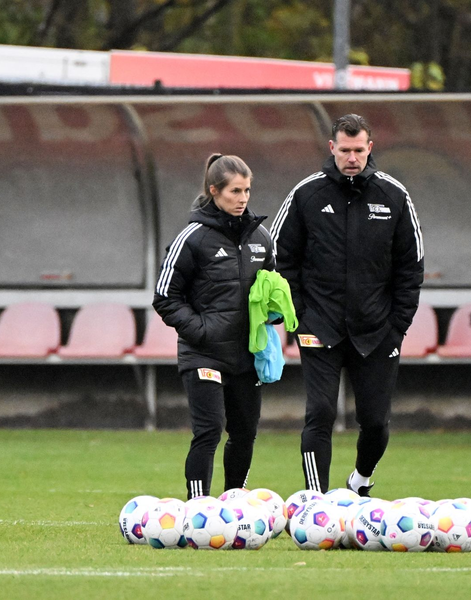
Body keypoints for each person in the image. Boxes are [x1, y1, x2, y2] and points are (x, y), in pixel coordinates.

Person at [271, 114, 424, 495]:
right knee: (320, 413)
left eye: (359, 150)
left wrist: (397, 326)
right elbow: (279, 260)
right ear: (332, 148)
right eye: (345, 150)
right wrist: (299, 317)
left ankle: (360, 481)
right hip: (318, 327)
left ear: (370, 149)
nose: (351, 157)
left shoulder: (394, 196)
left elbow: (412, 266)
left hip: (377, 331)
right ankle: (315, 501)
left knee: (374, 422)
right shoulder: (306, 194)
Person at [153, 153, 275, 500]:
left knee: (244, 433)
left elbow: (273, 286)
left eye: (247, 191)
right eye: (235, 191)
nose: (243, 199)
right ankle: (198, 508)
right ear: (214, 191)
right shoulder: (192, 238)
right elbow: (165, 297)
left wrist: (275, 311)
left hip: (246, 355)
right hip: (204, 353)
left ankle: (234, 505)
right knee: (208, 432)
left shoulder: (261, 238)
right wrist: (203, 331)